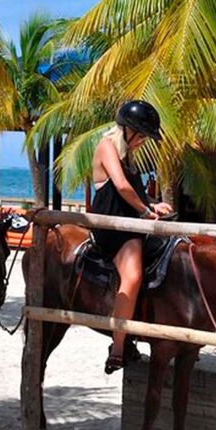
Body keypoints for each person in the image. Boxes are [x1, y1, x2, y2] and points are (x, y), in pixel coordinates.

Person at [90, 100, 173, 374]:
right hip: (114, 228)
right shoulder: (107, 147)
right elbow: (122, 187)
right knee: (133, 275)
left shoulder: (129, 157)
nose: (143, 142)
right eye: (142, 137)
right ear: (128, 131)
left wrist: (154, 203)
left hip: (130, 223)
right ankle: (118, 346)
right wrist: (146, 211)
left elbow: (135, 191)